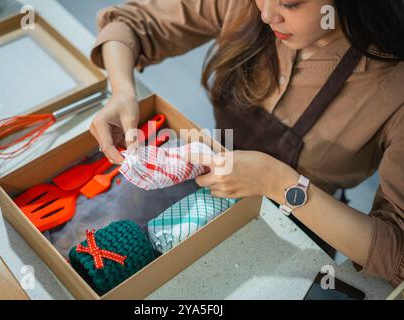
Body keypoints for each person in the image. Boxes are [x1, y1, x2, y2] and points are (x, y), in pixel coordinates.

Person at [88, 0, 404, 287]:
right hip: (202, 185)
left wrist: (278, 182)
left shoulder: (394, 87)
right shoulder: (246, 6)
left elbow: (395, 253)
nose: (266, 15)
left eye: (290, 4)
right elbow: (133, 23)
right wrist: (123, 92)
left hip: (299, 227)